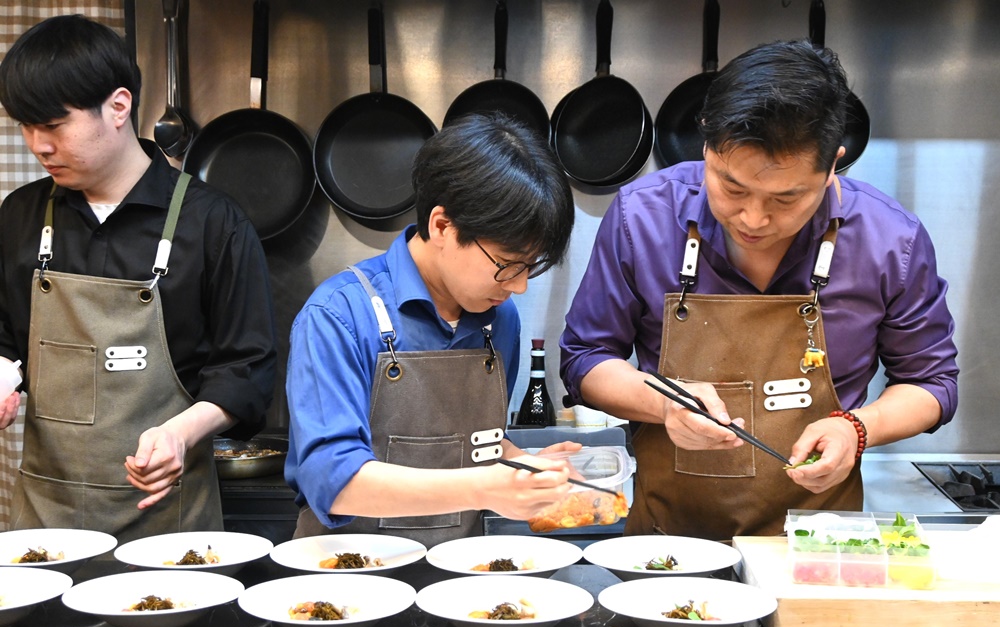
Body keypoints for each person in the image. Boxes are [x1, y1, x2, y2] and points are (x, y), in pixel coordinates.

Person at [560, 40, 959, 541]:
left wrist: (856, 428)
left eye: (786, 198)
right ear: (706, 145)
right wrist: (664, 404)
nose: (753, 218)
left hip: (816, 545)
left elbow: (933, 384)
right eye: (731, 187)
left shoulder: (890, 241)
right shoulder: (642, 217)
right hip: (667, 546)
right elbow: (585, 358)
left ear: (833, 164)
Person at [0, 15, 277, 542]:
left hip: (167, 521)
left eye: (54, 126)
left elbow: (248, 369)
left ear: (119, 107)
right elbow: (5, 339)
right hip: (45, 521)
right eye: (25, 126)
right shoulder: (21, 215)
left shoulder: (212, 222)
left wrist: (181, 433)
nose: (39, 145)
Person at [286, 113, 578, 545]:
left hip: (461, 579)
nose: (517, 286)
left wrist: (524, 464)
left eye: (529, 268)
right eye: (507, 265)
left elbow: (476, 442)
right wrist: (485, 488)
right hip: (347, 581)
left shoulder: (500, 321)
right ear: (442, 226)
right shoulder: (339, 314)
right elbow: (333, 479)